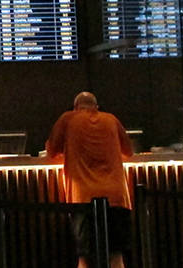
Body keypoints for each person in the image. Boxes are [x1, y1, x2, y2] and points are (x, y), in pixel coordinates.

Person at [46, 91, 133, 268]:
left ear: (76, 107)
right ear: (97, 107)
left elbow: (51, 151)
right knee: (116, 256)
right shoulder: (111, 119)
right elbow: (129, 151)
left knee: (84, 257)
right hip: (116, 197)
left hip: (83, 198)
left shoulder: (68, 119)